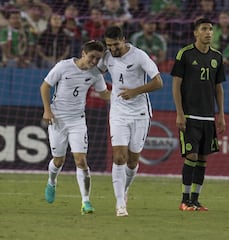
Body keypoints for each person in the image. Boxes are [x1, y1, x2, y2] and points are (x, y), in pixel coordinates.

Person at [97, 25, 163, 217]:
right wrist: (103, 91)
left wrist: (134, 92)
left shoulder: (139, 56)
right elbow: (95, 73)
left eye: (116, 45)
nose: (113, 49)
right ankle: (120, 204)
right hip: (118, 112)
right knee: (119, 157)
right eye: (109, 45)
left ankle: (125, 190)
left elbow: (158, 82)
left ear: (124, 40)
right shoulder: (107, 57)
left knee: (132, 161)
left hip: (140, 113)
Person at [40, 40, 110, 214]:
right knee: (59, 161)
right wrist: (47, 111)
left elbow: (105, 95)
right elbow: (45, 86)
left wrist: (126, 94)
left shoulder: (95, 74)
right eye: (92, 57)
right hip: (58, 120)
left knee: (81, 160)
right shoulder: (63, 67)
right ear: (83, 53)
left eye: (98, 59)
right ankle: (52, 181)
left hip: (77, 121)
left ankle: (85, 202)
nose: (94, 61)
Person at [171, 18, 226, 211]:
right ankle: (184, 199)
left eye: (211, 29)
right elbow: (176, 84)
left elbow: (218, 88)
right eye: (204, 29)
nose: (208, 32)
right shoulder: (185, 54)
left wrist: (221, 115)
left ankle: (195, 199)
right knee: (192, 155)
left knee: (203, 157)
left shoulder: (217, 57)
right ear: (196, 33)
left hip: (208, 117)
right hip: (190, 116)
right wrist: (180, 113)